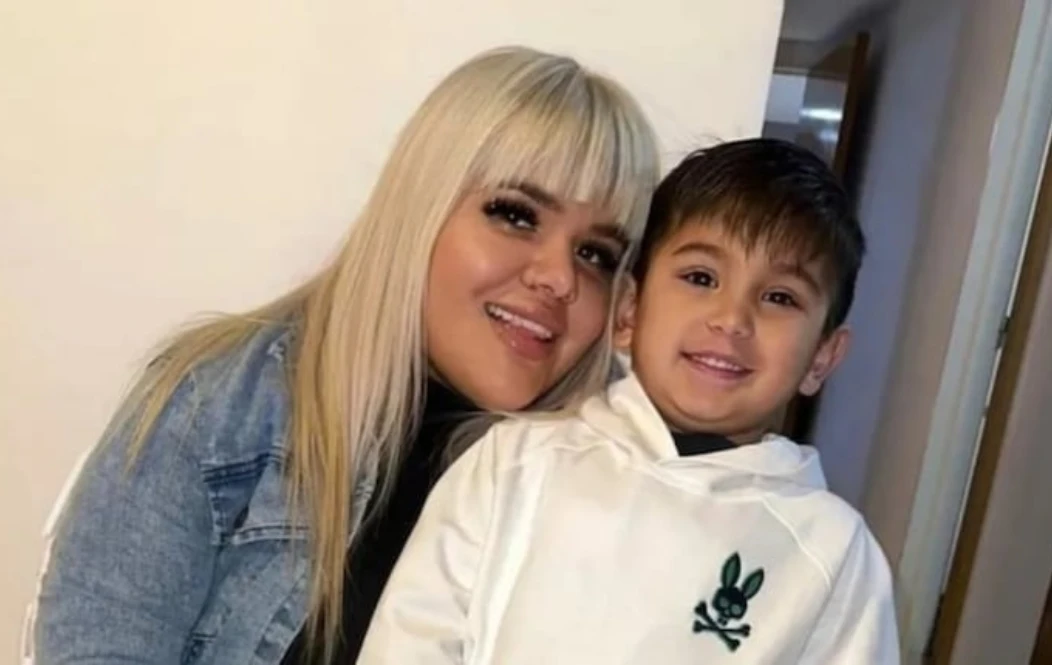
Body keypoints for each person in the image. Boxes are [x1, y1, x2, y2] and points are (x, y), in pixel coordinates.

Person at [27, 46, 660, 664]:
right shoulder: (219, 408)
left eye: (597, 254)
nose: (560, 277)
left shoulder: (624, 478)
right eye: (515, 215)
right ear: (420, 207)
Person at [357, 138, 900, 664]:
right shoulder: (514, 462)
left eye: (779, 297)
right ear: (628, 312)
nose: (731, 319)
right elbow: (410, 641)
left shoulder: (833, 553)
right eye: (701, 277)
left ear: (822, 358)